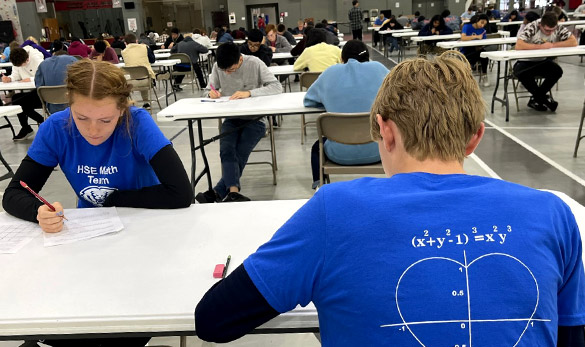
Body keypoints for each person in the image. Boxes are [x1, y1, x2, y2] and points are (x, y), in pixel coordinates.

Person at [194, 51, 585, 346]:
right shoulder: (553, 212)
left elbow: (213, 321)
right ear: (475, 138)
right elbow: (571, 335)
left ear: (386, 131)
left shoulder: (334, 210)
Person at [3, 59, 193, 228]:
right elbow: (14, 194)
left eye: (105, 120)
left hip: (146, 218)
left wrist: (115, 199)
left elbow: (181, 193)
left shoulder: (137, 123)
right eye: (81, 118)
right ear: (69, 104)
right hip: (92, 225)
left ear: (122, 109)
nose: (93, 131)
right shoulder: (56, 128)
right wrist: (39, 212)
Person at [195, 43, 282, 203]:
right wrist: (211, 94)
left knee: (240, 152)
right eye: (225, 71)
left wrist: (250, 93)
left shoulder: (254, 63)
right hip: (231, 117)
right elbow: (208, 89)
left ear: (240, 59)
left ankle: (218, 192)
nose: (228, 73)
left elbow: (276, 86)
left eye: (231, 70)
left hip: (255, 119)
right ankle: (233, 194)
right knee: (226, 150)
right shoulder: (217, 66)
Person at [305, 40, 388, 189]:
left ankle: (320, 187)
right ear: (367, 57)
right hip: (379, 149)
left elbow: (309, 101)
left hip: (338, 153)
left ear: (342, 58)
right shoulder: (379, 69)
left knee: (316, 148)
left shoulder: (329, 73)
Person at [515, 12, 576, 111]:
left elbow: (573, 41)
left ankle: (537, 98)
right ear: (540, 25)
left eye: (553, 30)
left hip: (542, 61)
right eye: (547, 30)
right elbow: (519, 45)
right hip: (525, 61)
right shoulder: (533, 26)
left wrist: (553, 45)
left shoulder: (558, 27)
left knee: (557, 71)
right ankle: (543, 99)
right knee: (521, 72)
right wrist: (540, 47)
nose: (550, 33)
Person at [3, 47, 44, 140]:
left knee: (21, 102)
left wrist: (30, 79)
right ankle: (28, 127)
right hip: (28, 91)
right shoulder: (17, 60)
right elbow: (15, 75)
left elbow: (44, 75)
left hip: (41, 91)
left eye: (23, 64)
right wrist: (9, 78)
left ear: (27, 59)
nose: (21, 67)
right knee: (16, 99)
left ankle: (41, 122)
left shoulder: (37, 58)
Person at [121, 33, 156, 110]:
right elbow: (152, 60)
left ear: (125, 43)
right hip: (147, 81)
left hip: (131, 83)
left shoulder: (123, 52)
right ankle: (146, 102)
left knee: (137, 75)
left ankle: (129, 103)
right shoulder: (145, 47)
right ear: (136, 41)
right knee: (144, 75)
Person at [460, 14, 490, 87]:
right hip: (466, 51)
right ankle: (468, 76)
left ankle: (484, 74)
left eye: (484, 24)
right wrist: (475, 37)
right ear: (477, 20)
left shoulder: (482, 30)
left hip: (477, 50)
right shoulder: (467, 26)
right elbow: (463, 38)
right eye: (482, 22)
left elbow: (484, 41)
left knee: (484, 55)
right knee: (479, 55)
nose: (482, 25)